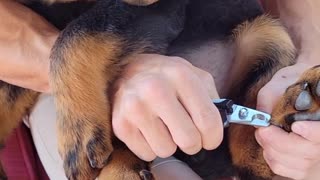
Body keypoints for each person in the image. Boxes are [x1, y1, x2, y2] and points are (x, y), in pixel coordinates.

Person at [1, 0, 320, 179]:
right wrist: (93, 77)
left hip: (231, 54)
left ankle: (255, 149)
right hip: (61, 65)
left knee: (267, 42)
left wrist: (309, 53)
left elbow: (152, 8)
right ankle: (121, 162)